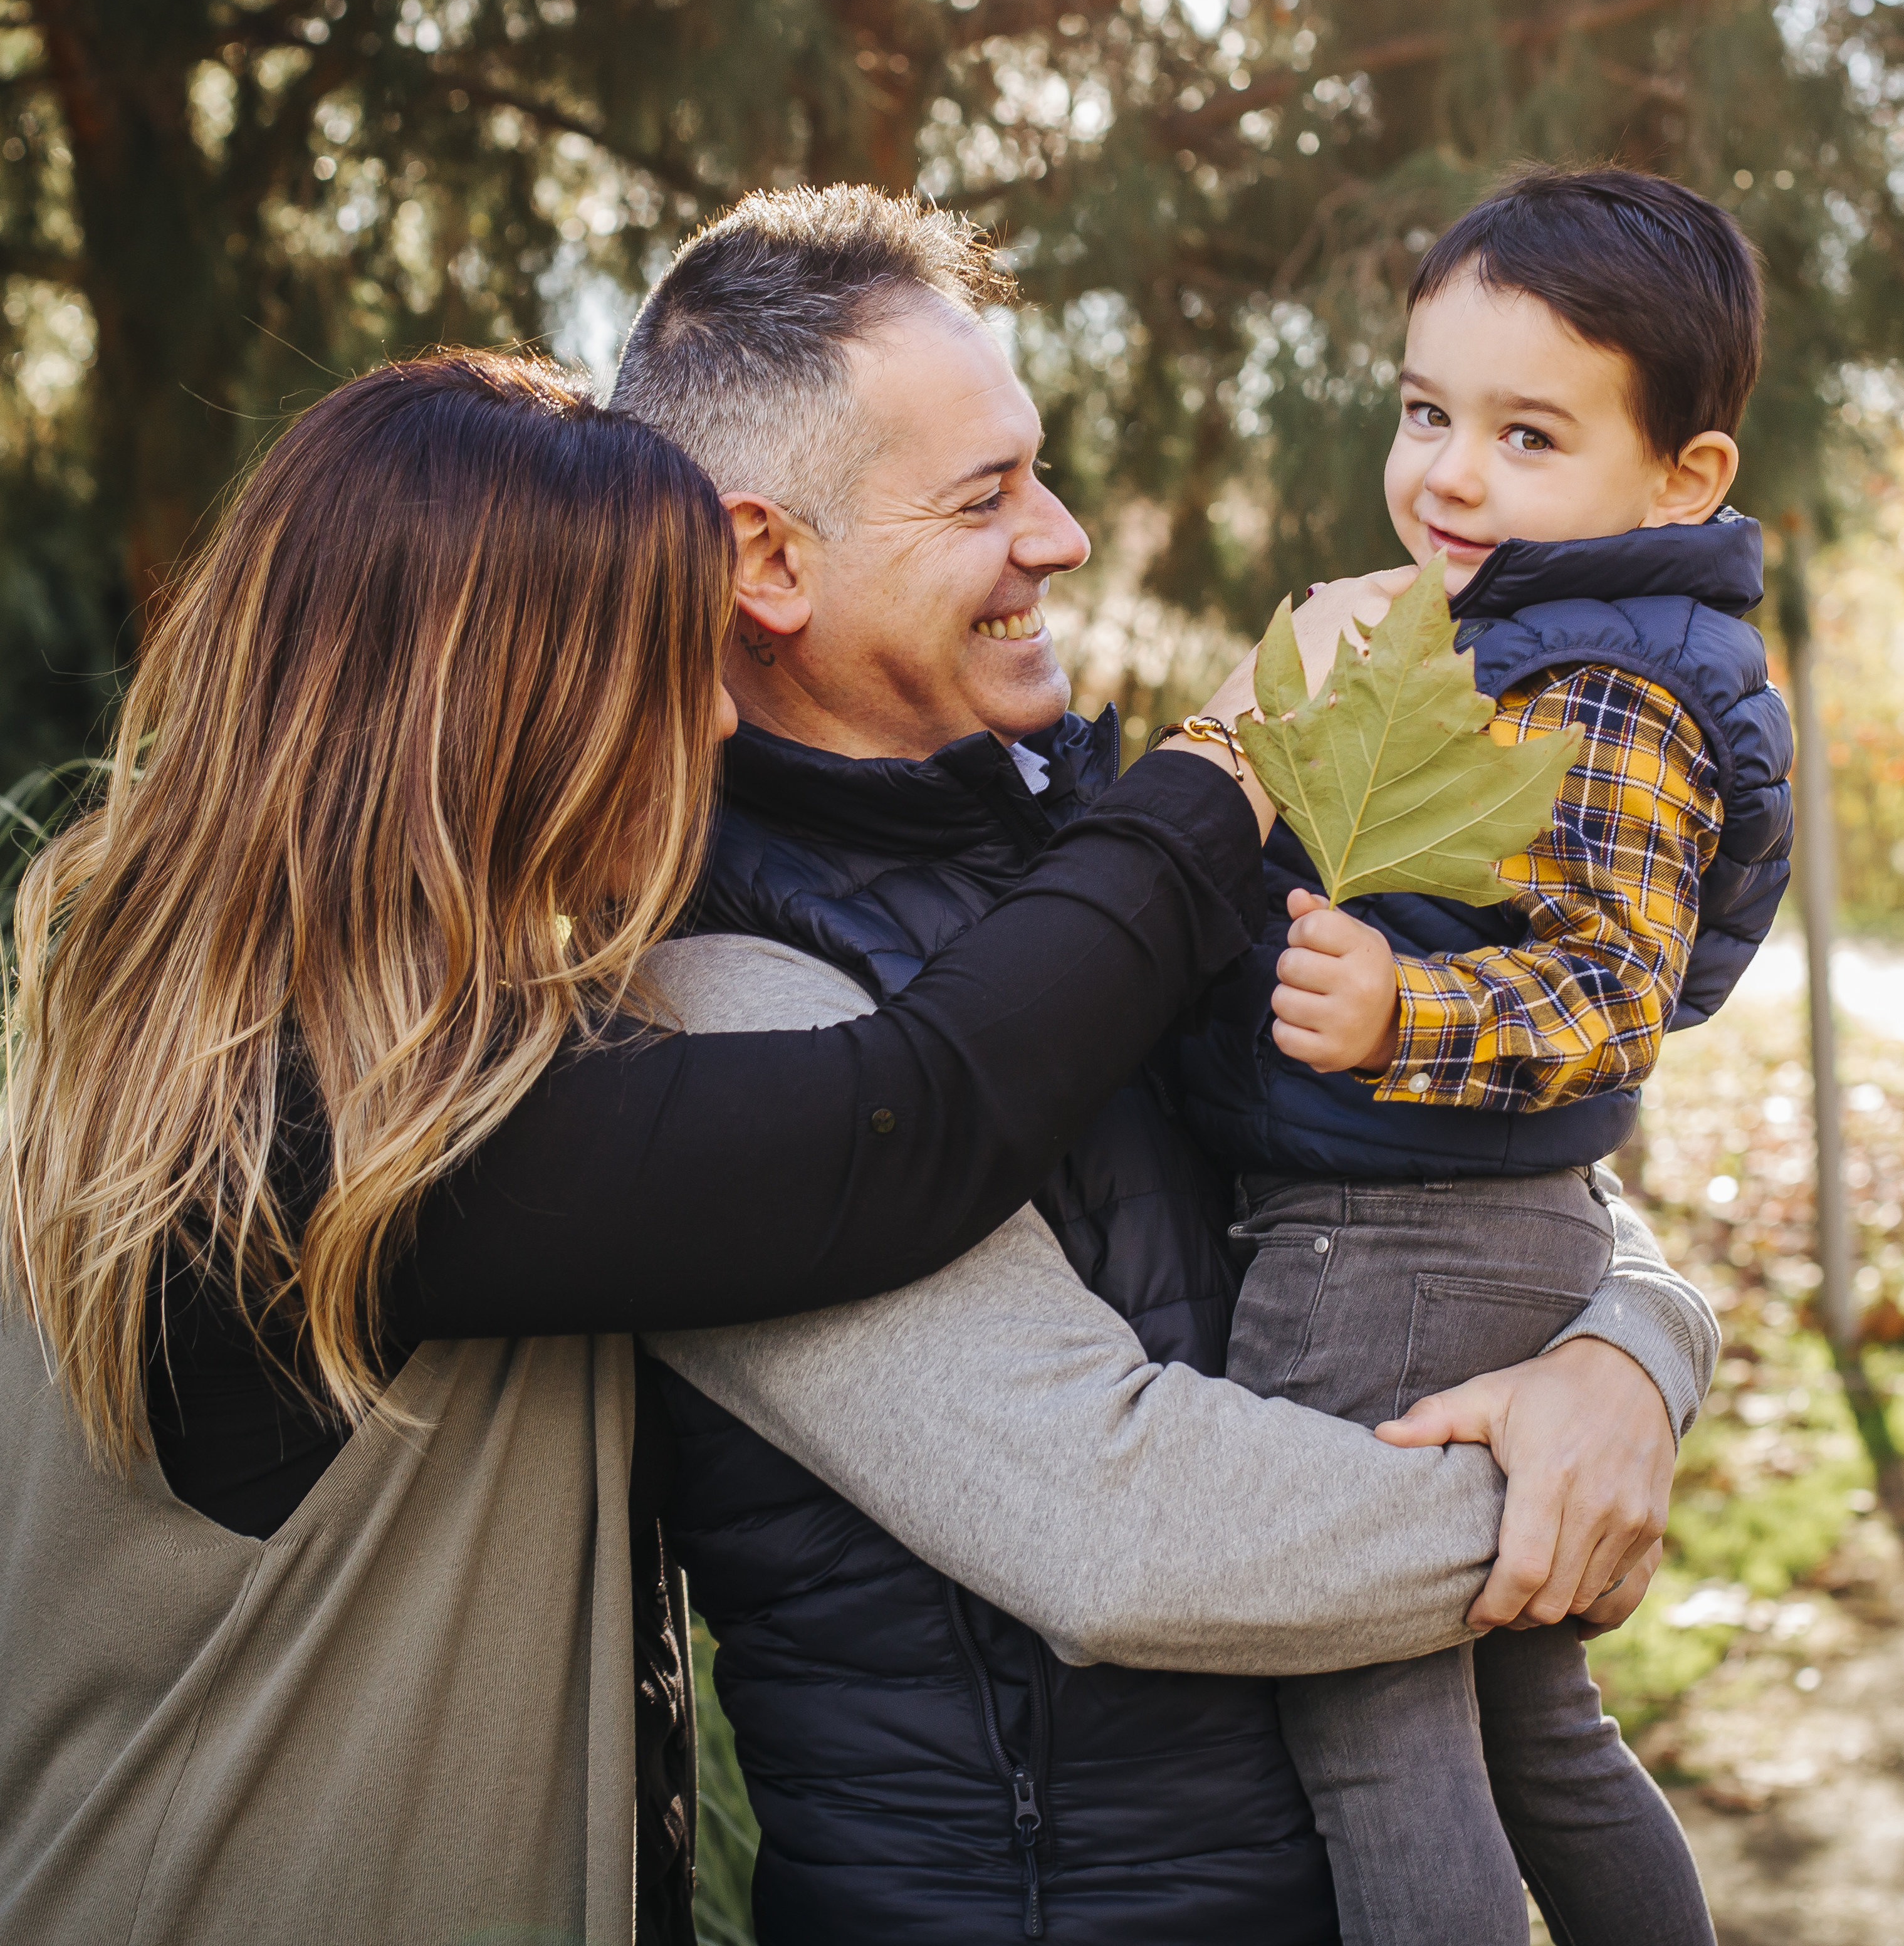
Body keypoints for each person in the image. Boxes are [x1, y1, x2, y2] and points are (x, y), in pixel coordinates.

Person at [0, 350, 1611, 1946]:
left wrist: (1631, 1348)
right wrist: (1231, 757)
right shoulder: (327, 1123)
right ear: (489, 711)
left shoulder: (259, 1045)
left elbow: (1422, 1178)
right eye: (659, 672)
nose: (713, 726)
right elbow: (915, 1128)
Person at [607, 187, 1725, 1940]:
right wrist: (1546, 1502)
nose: (1059, 536)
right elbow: (1121, 1526)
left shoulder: (1112, 833)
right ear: (769, 561)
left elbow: (1457, 1147)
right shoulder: (721, 999)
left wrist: (1631, 1353)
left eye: (1036, 470)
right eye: (985, 498)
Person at [1174, 164, 1795, 1945]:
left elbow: (1610, 995)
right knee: (1534, 1717)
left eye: (1529, 436)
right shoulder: (1500, 639)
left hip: (1395, 1250)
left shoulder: (1611, 688)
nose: (1452, 471)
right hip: (1476, 1227)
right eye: (1429, 412)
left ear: (1683, 479)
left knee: (1372, 1717)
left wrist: (1399, 1014)